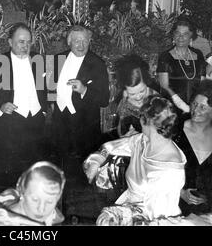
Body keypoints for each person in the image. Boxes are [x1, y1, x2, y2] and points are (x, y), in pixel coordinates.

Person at [83, 95, 186, 224]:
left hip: (148, 219)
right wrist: (96, 161)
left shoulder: (168, 168)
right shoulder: (143, 140)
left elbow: (158, 219)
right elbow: (111, 147)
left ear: (144, 121)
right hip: (128, 207)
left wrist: (120, 215)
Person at [0, 22, 47, 185]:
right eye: (21, 42)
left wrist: (43, 111)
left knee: (34, 174)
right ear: (10, 42)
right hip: (10, 123)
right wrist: (0, 107)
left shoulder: (38, 60)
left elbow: (45, 88)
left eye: (28, 42)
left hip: (36, 122)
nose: (25, 46)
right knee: (9, 174)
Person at [51, 25, 109, 161]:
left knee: (82, 169)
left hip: (85, 126)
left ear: (89, 41)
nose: (81, 45)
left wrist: (84, 90)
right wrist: (52, 104)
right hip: (60, 122)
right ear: (69, 42)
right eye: (77, 41)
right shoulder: (56, 59)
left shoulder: (98, 64)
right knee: (61, 162)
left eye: (85, 41)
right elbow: (50, 87)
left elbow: (104, 100)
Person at [0, 161, 65, 226]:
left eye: (49, 201)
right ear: (22, 191)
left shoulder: (53, 217)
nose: (41, 209)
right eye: (35, 199)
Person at [174, 80, 212, 216]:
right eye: (194, 104)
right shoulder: (175, 131)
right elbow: (158, 169)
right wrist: (180, 192)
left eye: (203, 107)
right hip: (176, 209)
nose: (195, 110)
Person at [157, 17, 206, 111]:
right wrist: (182, 105)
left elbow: (202, 84)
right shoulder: (165, 56)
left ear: (191, 36)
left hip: (195, 108)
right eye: (177, 33)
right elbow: (164, 86)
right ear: (173, 35)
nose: (181, 37)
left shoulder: (198, 54)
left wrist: (196, 106)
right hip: (171, 108)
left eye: (185, 34)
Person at [114, 54, 159, 137]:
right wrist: (127, 135)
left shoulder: (157, 100)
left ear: (147, 83)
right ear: (125, 91)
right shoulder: (124, 102)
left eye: (142, 91)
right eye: (132, 94)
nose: (138, 97)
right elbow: (121, 131)